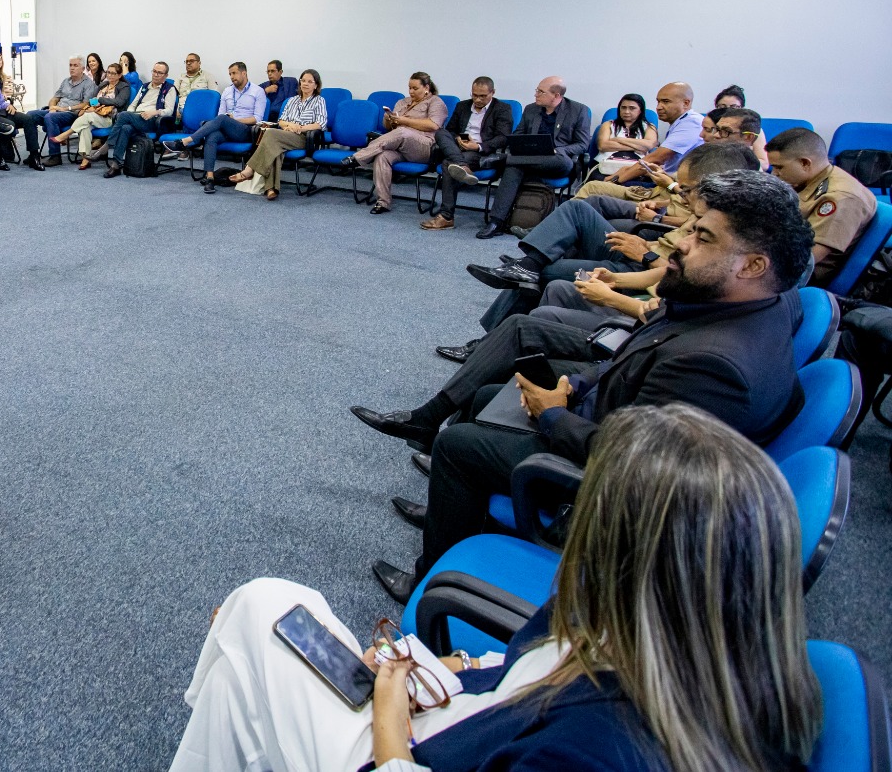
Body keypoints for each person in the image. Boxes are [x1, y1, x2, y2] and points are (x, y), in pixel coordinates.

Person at [170, 403, 823, 772]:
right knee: (268, 628)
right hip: (467, 711)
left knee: (258, 613)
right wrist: (437, 668)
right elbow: (523, 668)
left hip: (416, 754)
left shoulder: (600, 753)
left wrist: (393, 728)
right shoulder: (694, 639)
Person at [356, 170, 813, 600]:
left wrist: (552, 414)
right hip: (615, 412)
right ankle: (454, 510)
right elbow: (636, 352)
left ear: (753, 265)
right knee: (482, 396)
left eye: (703, 237)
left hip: (618, 484)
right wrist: (573, 384)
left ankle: (427, 579)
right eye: (692, 227)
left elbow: (630, 463)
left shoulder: (714, 365)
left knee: (459, 445)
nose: (681, 245)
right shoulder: (762, 300)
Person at [460, 142, 761, 338]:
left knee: (547, 270)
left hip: (642, 262)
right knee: (580, 207)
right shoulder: (710, 209)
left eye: (687, 188)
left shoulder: (727, 227)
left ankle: (497, 326)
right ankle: (528, 264)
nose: (680, 193)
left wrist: (646, 252)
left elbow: (670, 282)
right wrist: (654, 227)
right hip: (642, 253)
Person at [474, 76, 592, 239]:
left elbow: (582, 144)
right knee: (513, 168)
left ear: (556, 95)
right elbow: (518, 135)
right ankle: (496, 222)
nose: (536, 94)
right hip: (528, 160)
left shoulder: (579, 111)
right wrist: (521, 145)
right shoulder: (531, 109)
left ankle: (501, 159)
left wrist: (560, 150)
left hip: (557, 163)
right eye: (537, 90)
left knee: (559, 159)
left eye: (541, 92)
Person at [767, 127, 878, 286]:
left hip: (803, 277)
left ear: (805, 163)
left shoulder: (840, 197)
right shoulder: (816, 177)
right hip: (783, 252)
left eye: (779, 167)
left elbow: (808, 258)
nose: (775, 174)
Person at [344, 72, 447, 214]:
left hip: (424, 147)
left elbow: (433, 125)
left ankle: (358, 157)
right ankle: (383, 202)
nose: (411, 91)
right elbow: (389, 128)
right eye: (409, 88)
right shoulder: (402, 102)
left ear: (426, 88)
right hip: (401, 147)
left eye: (415, 88)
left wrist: (404, 121)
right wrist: (389, 118)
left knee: (403, 131)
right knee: (383, 156)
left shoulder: (436, 102)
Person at [423, 77, 515, 230]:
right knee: (440, 133)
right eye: (474, 95)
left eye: (483, 96)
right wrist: (458, 138)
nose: (477, 99)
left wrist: (477, 146)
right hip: (458, 148)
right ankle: (462, 165)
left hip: (480, 152)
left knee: (447, 164)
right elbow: (451, 130)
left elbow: (503, 138)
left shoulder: (503, 109)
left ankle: (446, 216)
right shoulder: (462, 106)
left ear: (493, 93)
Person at [229, 69, 326, 200]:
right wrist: (289, 126)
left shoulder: (319, 100)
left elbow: (320, 123)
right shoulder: (292, 100)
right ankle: (271, 189)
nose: (306, 84)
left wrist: (300, 128)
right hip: (285, 135)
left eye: (310, 82)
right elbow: (281, 120)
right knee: (275, 149)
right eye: (303, 81)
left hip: (303, 137)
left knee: (270, 134)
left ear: (316, 85)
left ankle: (250, 169)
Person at [171, 62, 268, 193]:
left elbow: (257, 118)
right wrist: (227, 120)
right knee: (213, 135)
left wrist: (234, 120)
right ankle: (210, 178)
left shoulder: (257, 91)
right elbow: (220, 114)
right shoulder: (227, 91)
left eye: (234, 73)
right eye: (230, 74)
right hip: (226, 128)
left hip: (246, 130)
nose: (232, 77)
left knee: (222, 119)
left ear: (244, 73)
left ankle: (187, 141)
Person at [595, 82, 701, 189]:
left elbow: (656, 157)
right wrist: (625, 170)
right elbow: (603, 145)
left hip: (677, 187)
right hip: (667, 179)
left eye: (666, 101)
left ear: (686, 103)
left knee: (594, 188)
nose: (659, 107)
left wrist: (616, 180)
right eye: (658, 102)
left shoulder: (691, 123)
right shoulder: (681, 122)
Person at [21, 55, 98, 169]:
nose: (72, 68)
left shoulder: (89, 84)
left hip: (72, 114)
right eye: (70, 65)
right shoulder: (66, 81)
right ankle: (34, 153)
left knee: (50, 118)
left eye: (75, 65)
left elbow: (86, 104)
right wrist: (52, 107)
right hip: (56, 111)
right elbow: (55, 98)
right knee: (29, 116)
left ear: (83, 68)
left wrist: (65, 109)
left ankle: (55, 156)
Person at [102, 62, 177, 177]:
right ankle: (115, 165)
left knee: (123, 115)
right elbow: (133, 105)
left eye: (160, 73)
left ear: (166, 75)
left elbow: (169, 111)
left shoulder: (169, 89)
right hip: (137, 117)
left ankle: (107, 145)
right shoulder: (145, 86)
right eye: (154, 71)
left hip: (153, 120)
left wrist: (155, 112)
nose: (156, 75)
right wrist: (132, 115)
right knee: (126, 127)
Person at [54, 59, 129, 169]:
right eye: (108, 72)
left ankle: (66, 134)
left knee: (87, 117)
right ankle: (86, 157)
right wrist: (89, 107)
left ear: (119, 75)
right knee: (85, 127)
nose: (110, 75)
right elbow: (92, 100)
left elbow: (119, 102)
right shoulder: (104, 85)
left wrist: (101, 101)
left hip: (109, 117)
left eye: (113, 73)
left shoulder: (124, 87)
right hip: (94, 115)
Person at [587, 93, 659, 178]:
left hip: (636, 168)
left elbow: (649, 145)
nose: (626, 111)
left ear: (640, 110)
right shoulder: (608, 125)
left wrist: (618, 139)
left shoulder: (649, 127)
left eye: (632, 108)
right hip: (606, 167)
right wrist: (639, 146)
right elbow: (603, 146)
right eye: (623, 108)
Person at [716, 83, 769, 166]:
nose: (728, 110)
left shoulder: (752, 129)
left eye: (734, 107)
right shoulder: (708, 126)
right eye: (722, 107)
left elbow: (764, 163)